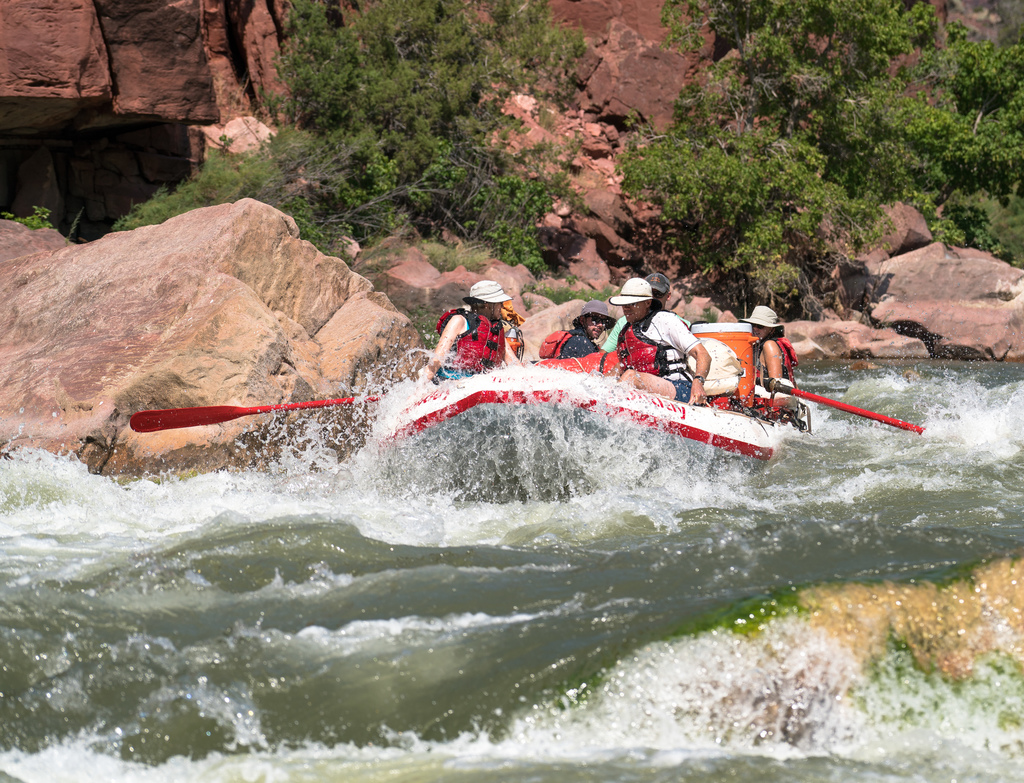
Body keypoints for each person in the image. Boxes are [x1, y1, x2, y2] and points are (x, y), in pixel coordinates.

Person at [609, 277, 711, 405]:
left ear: (648, 303)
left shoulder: (665, 320)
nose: (626, 308)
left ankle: (612, 405)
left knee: (631, 377)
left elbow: (703, 354)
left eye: (632, 304)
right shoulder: (626, 329)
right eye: (624, 304)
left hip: (680, 388)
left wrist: (698, 382)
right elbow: (621, 366)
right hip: (648, 389)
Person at [419, 280, 524, 384]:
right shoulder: (459, 321)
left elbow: (514, 364)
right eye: (500, 303)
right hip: (451, 382)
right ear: (487, 305)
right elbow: (437, 360)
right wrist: (420, 388)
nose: (502, 307)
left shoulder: (495, 330)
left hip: (479, 383)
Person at [602, 272, 688, 352]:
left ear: (668, 296)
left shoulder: (680, 323)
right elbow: (603, 354)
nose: (652, 298)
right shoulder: (624, 322)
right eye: (648, 294)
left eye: (657, 294)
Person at [740, 305, 798, 391]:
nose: (755, 328)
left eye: (760, 326)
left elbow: (776, 385)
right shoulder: (754, 345)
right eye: (752, 325)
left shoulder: (770, 345)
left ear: (771, 329)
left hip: (779, 396)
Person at [539, 300, 615, 359]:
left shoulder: (576, 338)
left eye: (604, 321)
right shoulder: (581, 343)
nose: (600, 325)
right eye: (595, 319)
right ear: (582, 320)